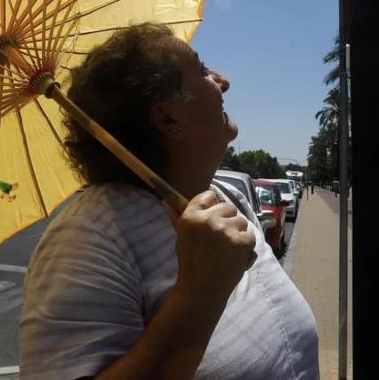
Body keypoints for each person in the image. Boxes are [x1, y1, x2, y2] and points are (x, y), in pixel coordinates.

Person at [18, 23, 319, 379]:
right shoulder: (88, 240)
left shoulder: (225, 196)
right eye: (202, 69)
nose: (223, 80)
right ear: (167, 118)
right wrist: (199, 293)